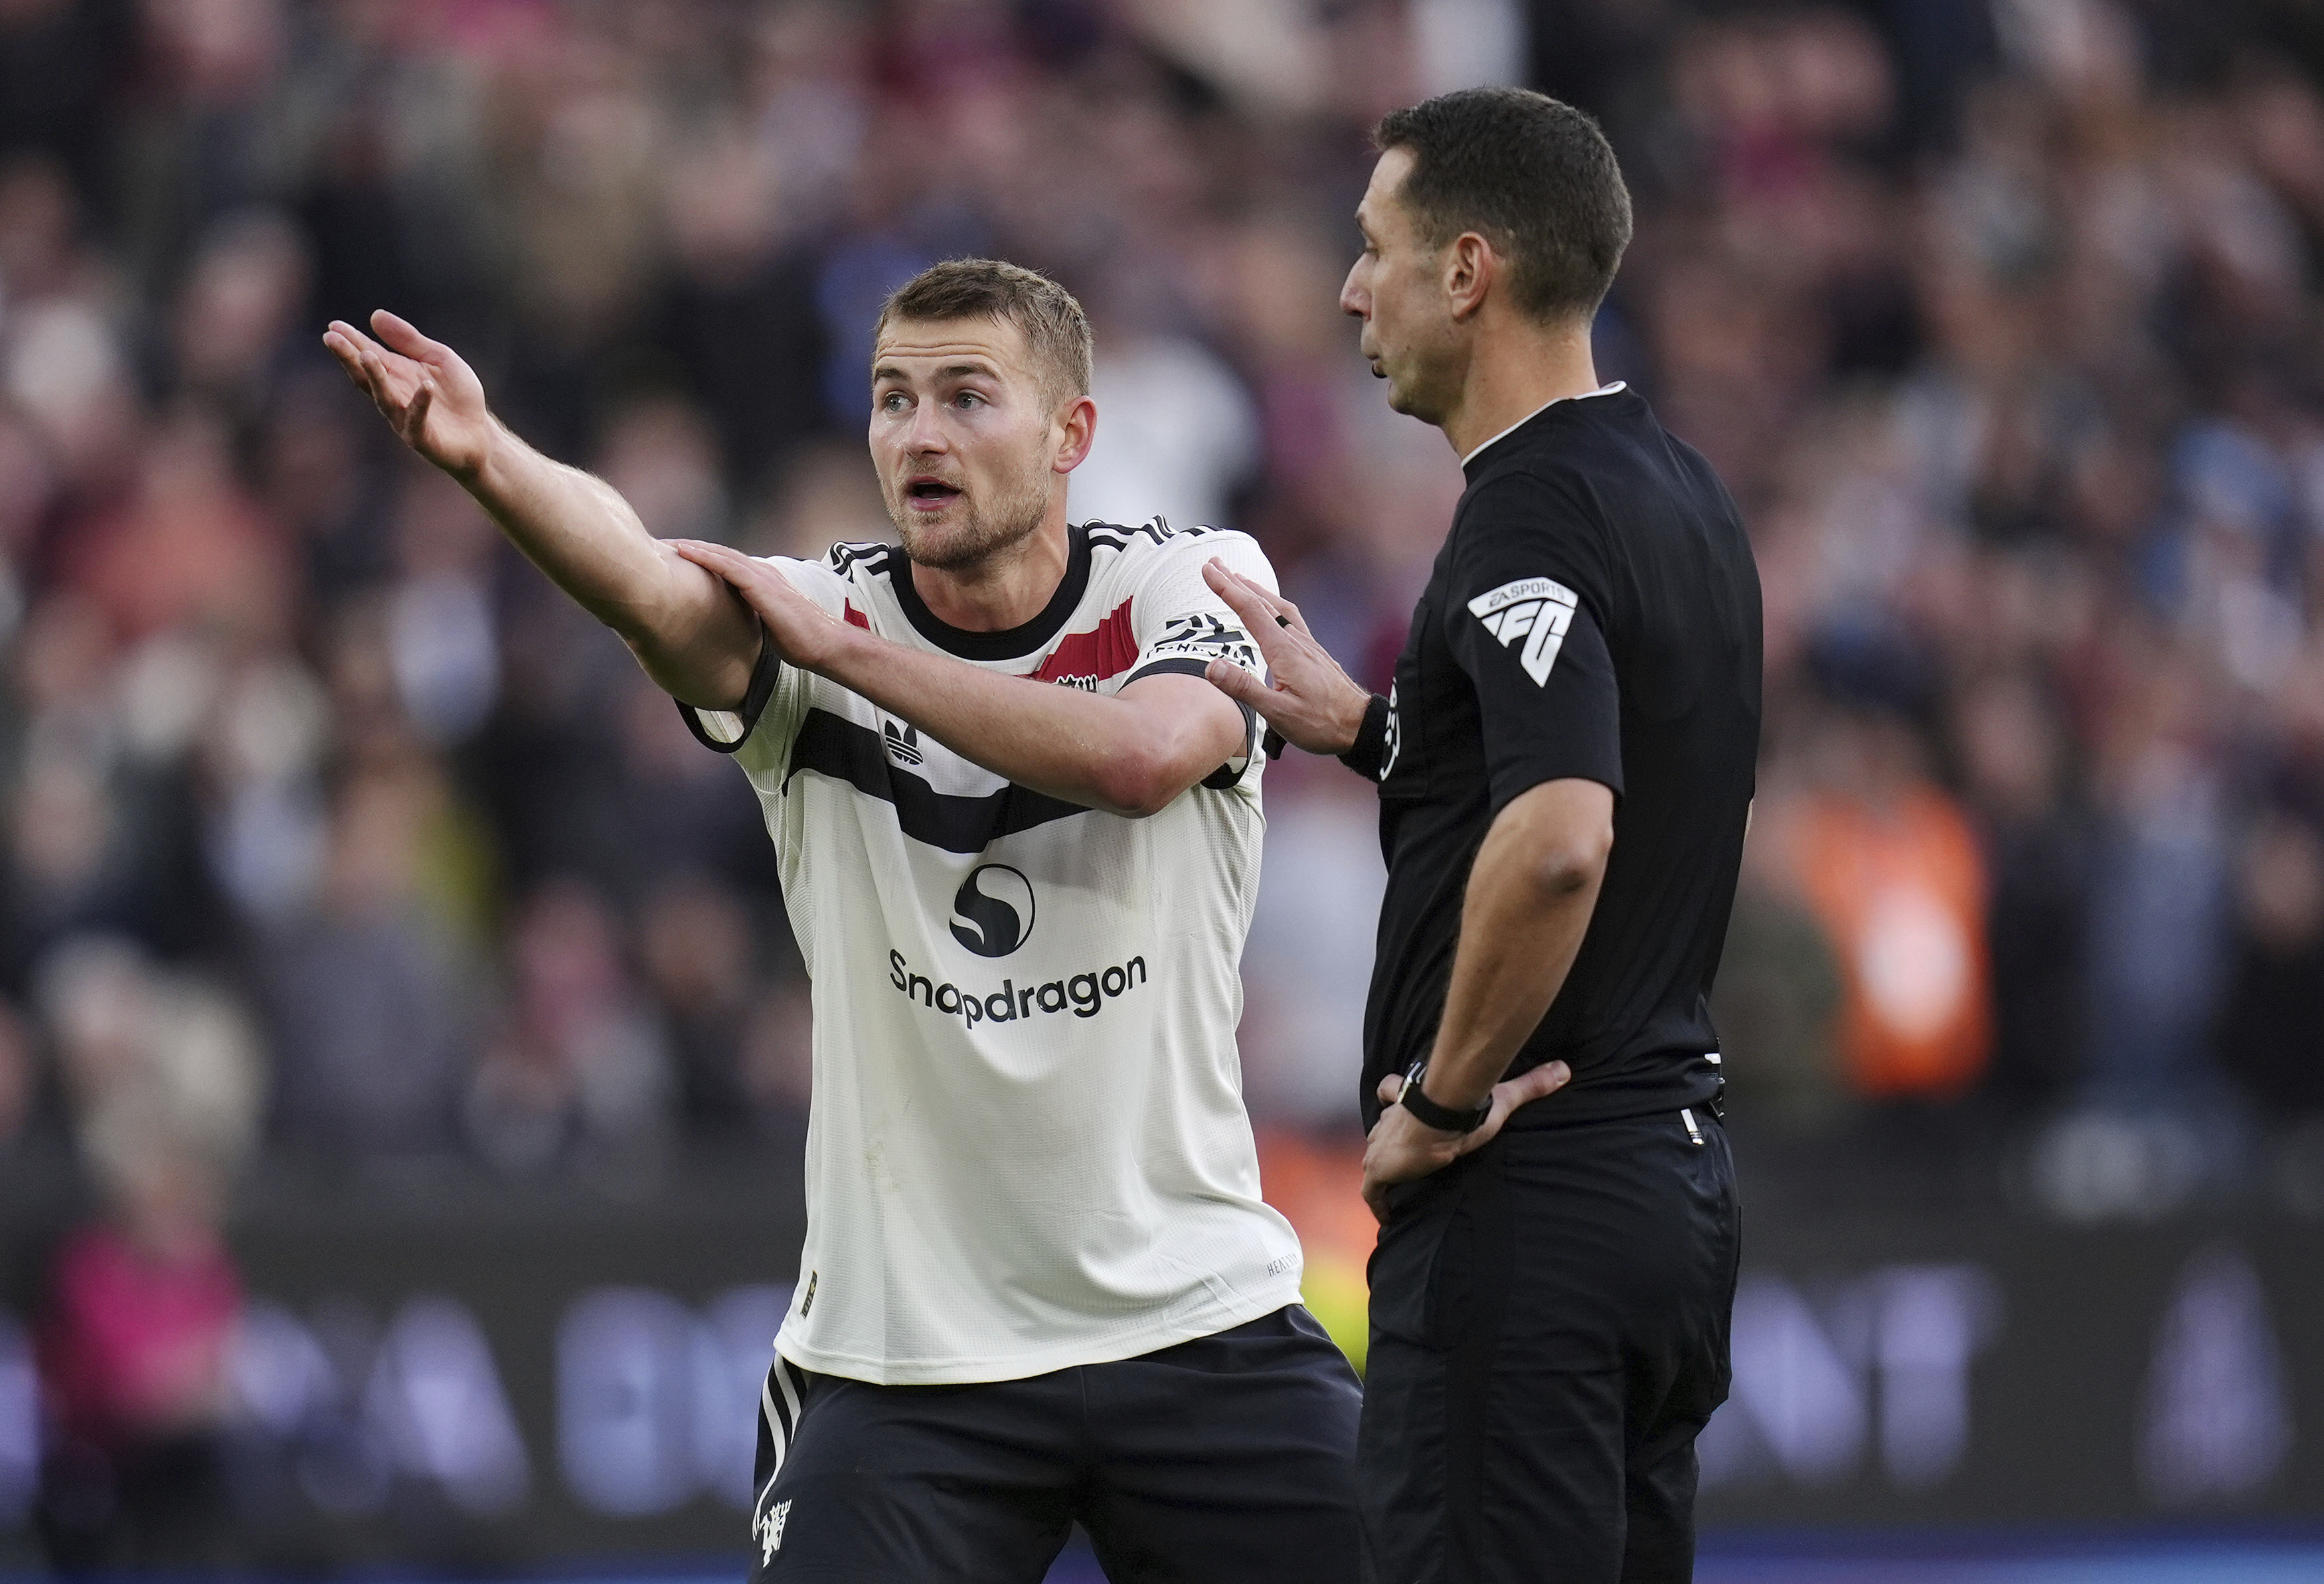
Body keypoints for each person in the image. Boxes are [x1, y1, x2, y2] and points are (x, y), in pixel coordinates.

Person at [323, 259, 1361, 1581]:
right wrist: (486, 460)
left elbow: (1142, 758)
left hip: (1195, 1315)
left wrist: (851, 657)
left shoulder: (1186, 580)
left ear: (1070, 436)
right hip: (907, 1357)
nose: (920, 434)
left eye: (967, 397)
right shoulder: (814, 613)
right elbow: (647, 583)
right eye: (892, 398)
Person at [1202, 89, 1760, 1582]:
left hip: (1533, 1203)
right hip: (1672, 1182)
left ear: (1467, 270)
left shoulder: (1528, 512)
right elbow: (1629, 788)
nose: (1348, 289)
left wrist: (1442, 1104)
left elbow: (1566, 833)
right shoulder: (1681, 490)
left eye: (1372, 247)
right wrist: (1382, 732)